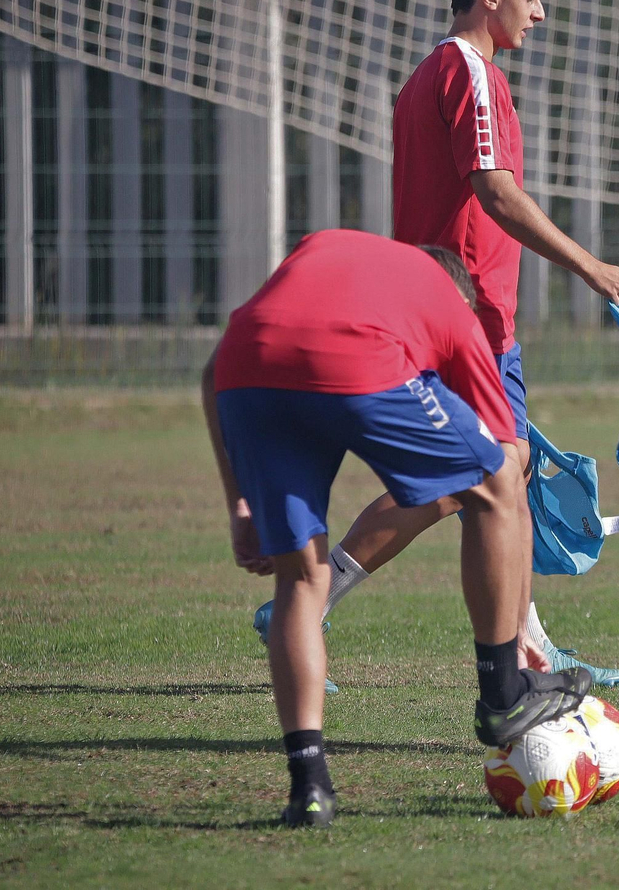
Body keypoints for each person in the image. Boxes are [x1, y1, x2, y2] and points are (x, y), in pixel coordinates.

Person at [252, 0, 619, 686]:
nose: (542, 13)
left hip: (460, 312)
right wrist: (590, 267)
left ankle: (527, 643)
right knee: (474, 478)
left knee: (497, 477)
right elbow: (496, 192)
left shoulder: (434, 73)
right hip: (463, 318)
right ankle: (313, 602)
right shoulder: (470, 72)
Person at [205, 230, 590, 827]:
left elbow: (213, 371)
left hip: (245, 368)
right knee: (497, 482)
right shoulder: (452, 306)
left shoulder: (334, 249)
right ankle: (503, 693)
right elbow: (503, 462)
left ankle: (309, 788)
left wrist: (240, 504)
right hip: (355, 358)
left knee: (300, 580)